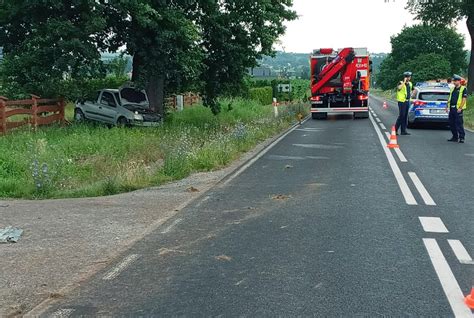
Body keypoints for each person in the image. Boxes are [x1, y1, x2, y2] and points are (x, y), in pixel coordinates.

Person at [447, 75, 468, 143]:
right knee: (451, 123)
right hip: (451, 108)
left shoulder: (463, 89)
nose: (454, 82)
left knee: (459, 123)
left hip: (458, 108)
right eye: (454, 81)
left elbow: (464, 99)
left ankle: (461, 137)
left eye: (455, 81)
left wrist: (460, 108)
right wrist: (447, 107)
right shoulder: (452, 89)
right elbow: (450, 98)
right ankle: (455, 137)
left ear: (459, 81)